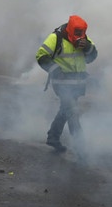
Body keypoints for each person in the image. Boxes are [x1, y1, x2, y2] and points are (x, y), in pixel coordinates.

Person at [35, 15, 98, 152]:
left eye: (82, 33)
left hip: (77, 84)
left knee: (65, 110)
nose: (79, 36)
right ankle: (81, 148)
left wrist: (88, 48)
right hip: (61, 83)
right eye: (76, 33)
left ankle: (53, 137)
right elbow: (41, 56)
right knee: (73, 113)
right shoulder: (55, 38)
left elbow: (92, 57)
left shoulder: (84, 39)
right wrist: (56, 71)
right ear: (70, 30)